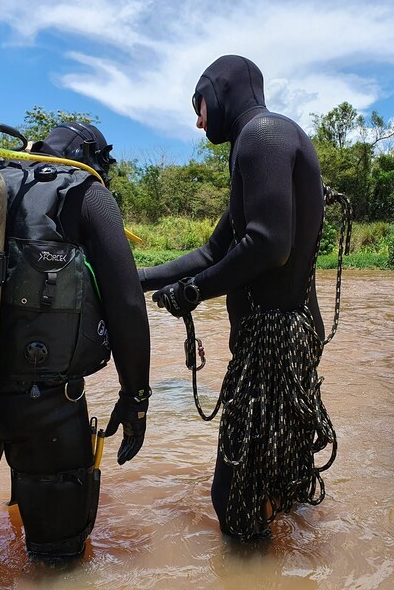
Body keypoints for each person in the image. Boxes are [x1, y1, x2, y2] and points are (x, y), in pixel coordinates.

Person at [0, 123, 151, 558]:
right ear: (94, 158)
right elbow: (128, 305)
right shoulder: (86, 191)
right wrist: (135, 398)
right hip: (46, 407)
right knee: (58, 562)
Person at [139, 55, 335, 541]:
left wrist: (193, 292)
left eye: (198, 104)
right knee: (275, 480)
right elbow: (213, 251)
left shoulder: (262, 135)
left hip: (275, 343)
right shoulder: (262, 142)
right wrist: (136, 278)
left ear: (220, 90)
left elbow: (268, 244)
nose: (198, 120)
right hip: (281, 340)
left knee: (233, 502)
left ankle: (252, 562)